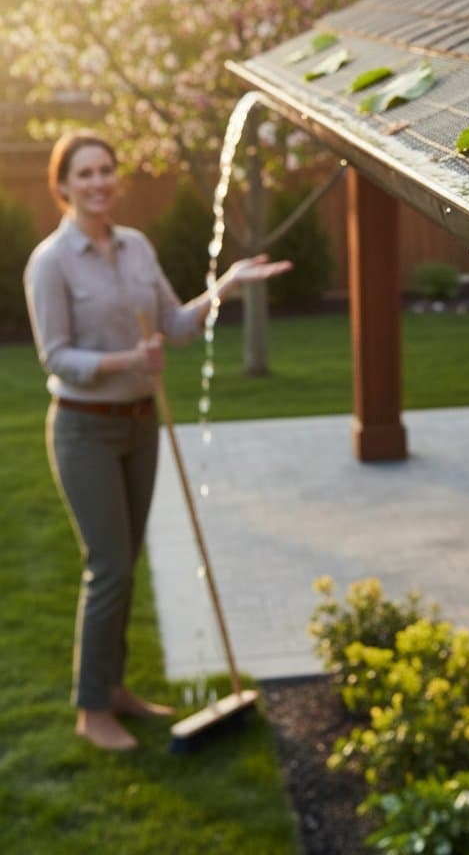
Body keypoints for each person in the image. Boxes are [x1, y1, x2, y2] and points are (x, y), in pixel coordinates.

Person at [23, 129, 291, 751]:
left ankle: (114, 689)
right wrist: (128, 360)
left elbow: (173, 324)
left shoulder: (137, 247)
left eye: (105, 170)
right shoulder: (51, 261)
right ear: (62, 186)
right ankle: (92, 711)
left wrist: (226, 286)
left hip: (142, 425)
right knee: (109, 567)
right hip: (85, 428)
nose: (98, 182)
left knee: (126, 562)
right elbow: (55, 357)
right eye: (84, 173)